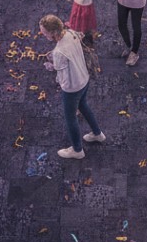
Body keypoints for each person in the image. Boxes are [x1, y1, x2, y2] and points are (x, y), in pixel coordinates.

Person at [41, 14, 106, 160]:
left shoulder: (58, 52)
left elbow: (60, 71)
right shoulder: (71, 33)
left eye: (45, 33)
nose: (43, 35)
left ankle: (77, 150)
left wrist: (51, 64)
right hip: (84, 78)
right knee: (83, 105)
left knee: (70, 118)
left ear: (53, 33)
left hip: (72, 87)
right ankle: (97, 134)